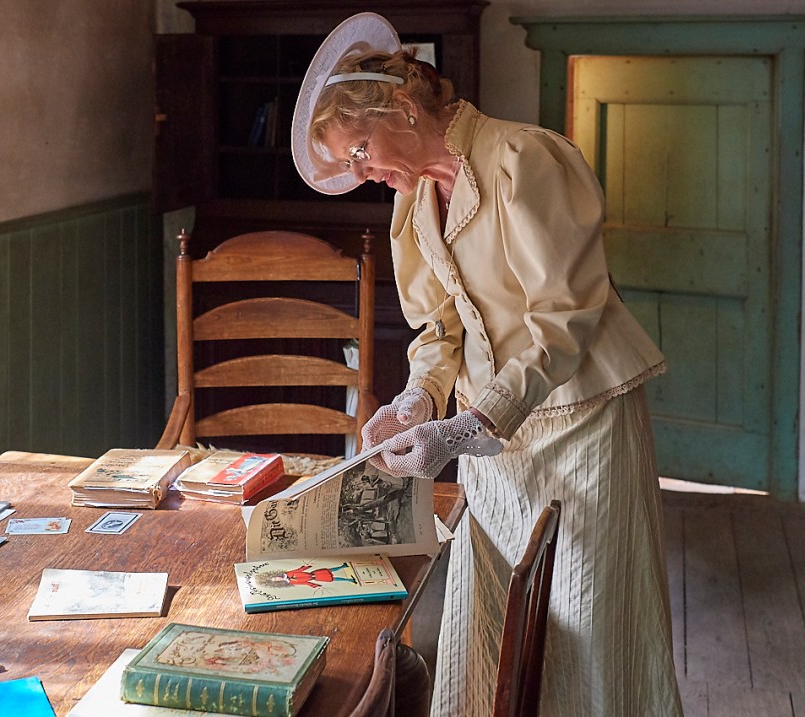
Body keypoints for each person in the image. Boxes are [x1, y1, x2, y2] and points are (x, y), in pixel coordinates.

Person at [290, 12, 684, 717]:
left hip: (579, 423)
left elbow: (562, 316)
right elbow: (439, 326)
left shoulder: (525, 159)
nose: (362, 172)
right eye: (350, 164)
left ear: (403, 109)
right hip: (491, 449)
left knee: (590, 627)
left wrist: (471, 421)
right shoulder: (411, 202)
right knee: (486, 628)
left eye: (359, 151)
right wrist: (418, 401)